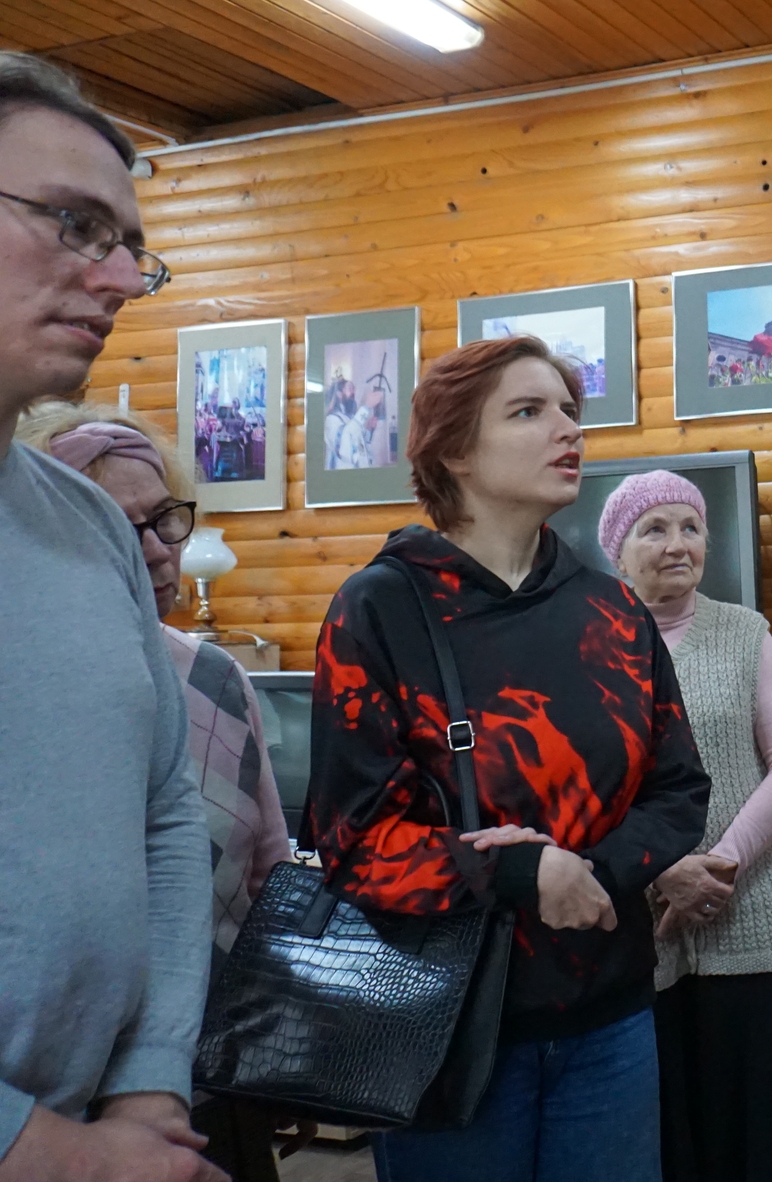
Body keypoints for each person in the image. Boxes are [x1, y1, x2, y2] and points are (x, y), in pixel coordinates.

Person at [306, 335, 712, 1182]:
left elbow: (678, 789)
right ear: (454, 450)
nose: (568, 429)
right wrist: (523, 874)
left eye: (568, 409)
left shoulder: (613, 613)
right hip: (447, 1025)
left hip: (610, 1021)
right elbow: (354, 840)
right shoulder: (379, 609)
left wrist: (589, 874)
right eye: (528, 412)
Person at [0, 50, 225, 1182]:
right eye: (75, 225)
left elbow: (167, 816)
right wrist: (42, 1151)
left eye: (132, 245)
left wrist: (149, 1084)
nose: (125, 279)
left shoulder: (89, 523)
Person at [19, 403, 293, 1182]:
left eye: (164, 519)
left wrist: (279, 1043)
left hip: (215, 1071)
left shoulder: (215, 675)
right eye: (116, 523)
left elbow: (267, 866)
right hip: (53, 1102)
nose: (154, 550)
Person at [596, 471, 772, 1182]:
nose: (677, 544)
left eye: (691, 527)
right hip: (645, 924)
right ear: (617, 551)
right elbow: (582, 788)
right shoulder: (592, 648)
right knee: (673, 1141)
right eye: (655, 529)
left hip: (757, 914)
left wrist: (720, 864)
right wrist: (663, 871)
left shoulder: (746, 634)